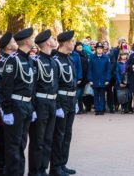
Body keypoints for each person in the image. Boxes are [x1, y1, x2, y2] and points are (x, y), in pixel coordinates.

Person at [0, 27, 35, 176]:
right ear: (26, 41)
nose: (33, 40)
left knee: (22, 143)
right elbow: (6, 88)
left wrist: (31, 107)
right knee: (13, 145)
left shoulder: (29, 59)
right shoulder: (12, 60)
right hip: (15, 105)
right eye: (31, 38)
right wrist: (7, 110)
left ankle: (19, 172)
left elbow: (30, 86)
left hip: (26, 105)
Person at [28, 29, 59, 176]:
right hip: (40, 102)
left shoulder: (53, 60)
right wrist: (33, 107)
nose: (54, 40)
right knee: (38, 140)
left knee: (48, 139)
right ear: (47, 43)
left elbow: (55, 84)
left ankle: (43, 169)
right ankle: (34, 171)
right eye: (52, 38)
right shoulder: (36, 61)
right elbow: (32, 86)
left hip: (52, 102)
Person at [50, 30, 78, 176]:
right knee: (59, 135)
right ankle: (55, 167)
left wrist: (76, 101)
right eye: (72, 41)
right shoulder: (55, 60)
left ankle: (62, 164)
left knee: (67, 134)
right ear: (65, 43)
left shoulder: (69, 59)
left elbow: (72, 82)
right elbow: (54, 85)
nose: (74, 43)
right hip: (61, 99)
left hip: (71, 99)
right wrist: (58, 106)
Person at [0, 31, 17, 176]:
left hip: (13, 105)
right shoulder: (1, 61)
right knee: (1, 141)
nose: (16, 43)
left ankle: (8, 169)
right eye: (14, 41)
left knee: (11, 140)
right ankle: (0, 170)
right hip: (2, 105)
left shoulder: (13, 59)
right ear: (8, 45)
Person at [88, 42, 111, 115]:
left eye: (101, 49)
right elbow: (90, 69)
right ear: (96, 49)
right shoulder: (92, 57)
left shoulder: (106, 57)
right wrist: (90, 79)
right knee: (96, 95)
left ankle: (101, 109)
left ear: (103, 49)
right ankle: (97, 109)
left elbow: (108, 70)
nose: (99, 50)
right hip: (94, 79)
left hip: (103, 79)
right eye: (98, 48)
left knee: (102, 95)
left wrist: (107, 79)